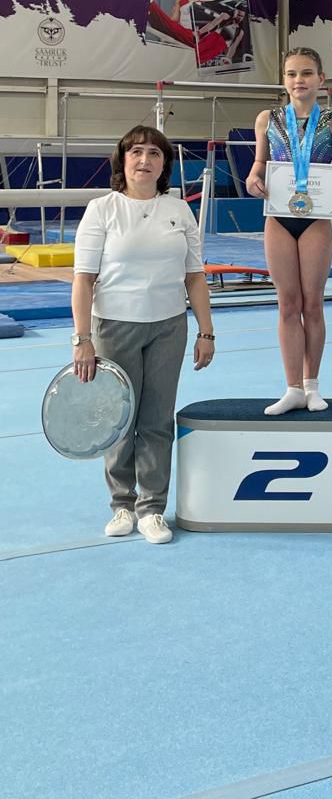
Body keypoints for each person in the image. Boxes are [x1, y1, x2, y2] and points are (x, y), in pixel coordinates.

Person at [71, 126, 214, 544]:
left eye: (154, 153)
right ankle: (122, 503)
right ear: (123, 160)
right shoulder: (102, 209)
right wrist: (82, 338)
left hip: (169, 325)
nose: (144, 160)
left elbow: (195, 277)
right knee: (120, 418)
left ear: (164, 164)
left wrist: (206, 332)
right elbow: (83, 279)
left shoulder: (179, 210)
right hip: (114, 326)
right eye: (136, 152)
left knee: (156, 420)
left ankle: (152, 508)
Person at [246, 48, 332, 415]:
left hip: (316, 218)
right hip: (279, 216)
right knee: (287, 303)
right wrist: (252, 179)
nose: (299, 80)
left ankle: (312, 385)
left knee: (312, 302)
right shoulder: (267, 119)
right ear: (284, 80)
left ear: (321, 79)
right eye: (292, 74)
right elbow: (259, 164)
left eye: (307, 73)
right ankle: (292, 388)